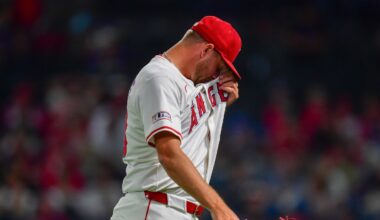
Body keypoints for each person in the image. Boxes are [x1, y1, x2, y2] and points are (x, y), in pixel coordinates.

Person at [111, 15, 242, 220]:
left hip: (171, 210)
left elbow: (187, 140)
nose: (217, 76)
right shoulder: (160, 77)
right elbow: (169, 154)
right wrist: (219, 207)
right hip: (154, 207)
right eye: (219, 67)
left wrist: (217, 101)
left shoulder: (184, 85)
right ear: (206, 50)